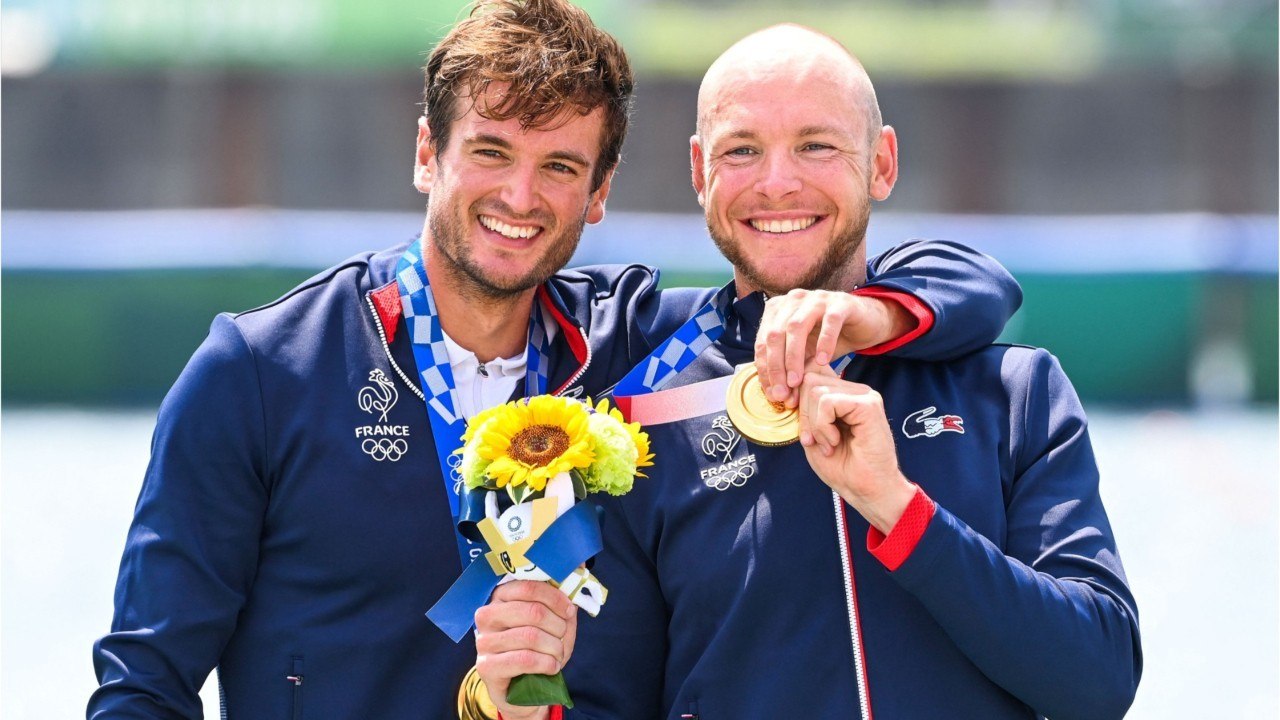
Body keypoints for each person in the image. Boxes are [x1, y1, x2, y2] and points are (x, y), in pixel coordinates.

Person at [87, 3, 1022, 718]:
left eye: (561, 167)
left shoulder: (638, 345)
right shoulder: (258, 371)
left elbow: (973, 282)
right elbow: (140, 685)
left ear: (601, 191)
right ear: (427, 153)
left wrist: (855, 317)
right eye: (490, 152)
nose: (521, 197)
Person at [551, 24, 1142, 720]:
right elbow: (603, 701)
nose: (777, 182)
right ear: (699, 171)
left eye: (816, 145)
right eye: (741, 149)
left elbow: (1098, 681)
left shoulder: (1013, 393)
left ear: (882, 162)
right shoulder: (641, 412)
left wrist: (899, 509)